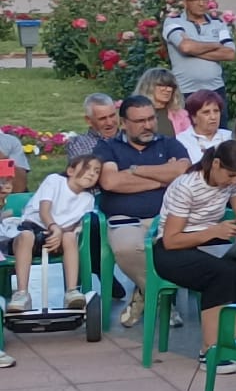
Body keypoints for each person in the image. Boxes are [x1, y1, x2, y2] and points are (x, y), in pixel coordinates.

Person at [151, 142, 236, 369]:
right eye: (230, 174)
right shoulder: (187, 186)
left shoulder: (232, 182)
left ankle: (232, 342)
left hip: (210, 242)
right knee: (222, 271)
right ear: (216, 164)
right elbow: (171, 240)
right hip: (173, 250)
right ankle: (210, 351)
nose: (233, 180)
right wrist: (214, 231)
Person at [100, 93, 193, 328]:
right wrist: (162, 177)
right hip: (125, 218)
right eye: (140, 121)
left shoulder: (169, 143)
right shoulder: (108, 147)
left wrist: (133, 171)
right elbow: (111, 183)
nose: (148, 125)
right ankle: (160, 298)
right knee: (128, 247)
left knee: (176, 249)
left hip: (167, 217)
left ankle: (144, 293)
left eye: (151, 119)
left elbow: (184, 172)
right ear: (124, 123)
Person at [7, 152, 101, 313]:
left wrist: (59, 233)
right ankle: (22, 293)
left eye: (97, 171)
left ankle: (71, 291)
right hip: (34, 228)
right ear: (71, 171)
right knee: (26, 236)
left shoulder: (88, 199)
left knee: (70, 237)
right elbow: (45, 210)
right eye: (87, 168)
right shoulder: (55, 181)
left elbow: (73, 225)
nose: (92, 173)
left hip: (60, 236)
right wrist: (54, 228)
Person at [162, 0, 236, 101]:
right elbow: (186, 47)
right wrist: (216, 44)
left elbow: (230, 54)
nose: (201, 4)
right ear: (185, 2)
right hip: (185, 91)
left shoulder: (218, 23)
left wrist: (193, 47)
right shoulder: (173, 22)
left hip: (216, 90)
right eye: (195, 0)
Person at [176, 88, 232, 162]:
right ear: (194, 117)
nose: (213, 117)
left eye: (216, 111)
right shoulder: (181, 141)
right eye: (206, 112)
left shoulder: (229, 136)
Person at [138, 66, 190, 137]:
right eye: (162, 85)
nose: (168, 89)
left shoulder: (180, 115)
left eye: (171, 86)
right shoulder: (134, 112)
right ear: (148, 87)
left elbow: (189, 141)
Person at [68, 93, 123, 160]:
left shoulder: (129, 138)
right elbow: (84, 169)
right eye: (102, 118)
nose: (109, 122)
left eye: (112, 116)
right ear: (89, 120)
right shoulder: (79, 144)